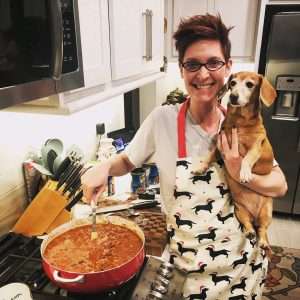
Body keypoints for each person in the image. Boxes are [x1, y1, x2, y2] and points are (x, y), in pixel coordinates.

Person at [81, 14, 287, 299]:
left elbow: (279, 185)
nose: (203, 75)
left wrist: (239, 168)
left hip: (243, 266)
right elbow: (128, 161)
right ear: (181, 69)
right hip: (190, 271)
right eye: (192, 64)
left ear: (227, 67)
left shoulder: (241, 123)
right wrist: (103, 167)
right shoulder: (162, 120)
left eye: (213, 63)